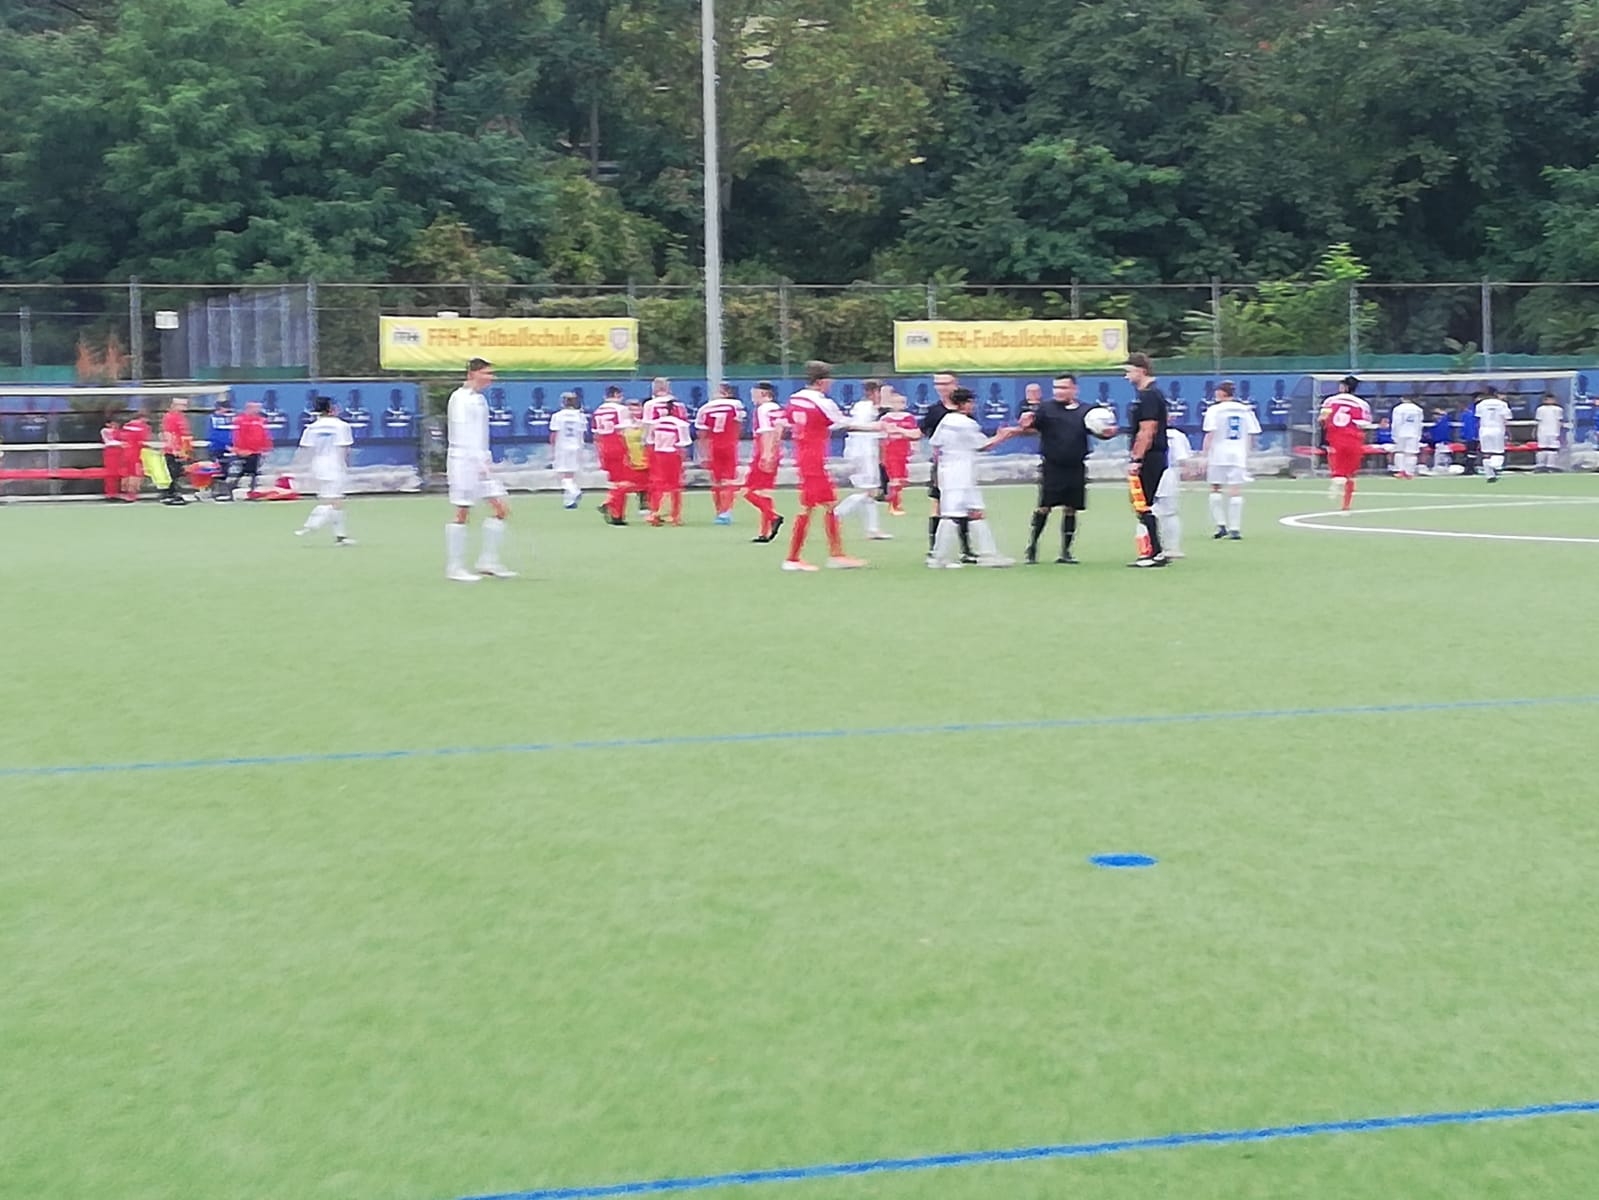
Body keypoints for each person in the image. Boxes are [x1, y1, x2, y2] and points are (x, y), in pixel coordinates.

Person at [781, 360, 870, 572]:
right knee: (809, 507)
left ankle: (835, 554)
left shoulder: (795, 399)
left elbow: (786, 423)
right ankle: (794, 558)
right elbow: (844, 424)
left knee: (829, 504)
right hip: (814, 459)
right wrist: (878, 427)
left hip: (804, 456)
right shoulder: (822, 402)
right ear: (822, 381)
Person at [1015, 375, 1112, 565]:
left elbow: (1100, 431)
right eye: (1056, 388)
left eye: (1063, 388)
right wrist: (1025, 421)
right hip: (1052, 466)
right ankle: (1032, 547)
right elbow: (1029, 426)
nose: (1059, 391)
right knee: (1044, 506)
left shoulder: (1087, 411)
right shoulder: (1046, 409)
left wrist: (1107, 433)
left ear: (1074, 389)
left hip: (1076, 466)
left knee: (1071, 509)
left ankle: (1066, 552)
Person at [926, 388, 1016, 568]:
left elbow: (936, 445)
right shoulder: (967, 424)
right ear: (964, 403)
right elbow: (983, 445)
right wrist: (1002, 436)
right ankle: (939, 558)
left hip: (953, 472)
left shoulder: (945, 420)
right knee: (951, 514)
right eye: (970, 402)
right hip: (960, 474)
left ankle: (989, 555)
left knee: (976, 512)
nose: (973, 406)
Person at [445, 357, 516, 582]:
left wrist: (485, 460)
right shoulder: (459, 398)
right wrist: (476, 460)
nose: (490, 378)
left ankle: (488, 561)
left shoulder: (480, 400)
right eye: (486, 373)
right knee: (463, 510)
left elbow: (480, 434)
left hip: (482, 462)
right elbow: (462, 432)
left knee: (501, 509)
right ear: (472, 374)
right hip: (463, 461)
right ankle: (455, 567)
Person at [920, 372, 975, 563]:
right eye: (938, 384)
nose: (942, 387)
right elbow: (923, 433)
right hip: (943, 464)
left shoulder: (966, 411)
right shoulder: (934, 411)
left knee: (964, 505)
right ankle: (935, 548)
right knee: (938, 504)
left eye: (946, 383)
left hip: (963, 465)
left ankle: (966, 549)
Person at [1123, 353, 1172, 566]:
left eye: (1128, 371)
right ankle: (1151, 551)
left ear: (1141, 370)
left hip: (1150, 456)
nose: (1126, 376)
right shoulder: (1149, 394)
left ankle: (1155, 552)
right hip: (1153, 455)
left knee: (1143, 504)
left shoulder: (1149, 395)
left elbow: (1147, 429)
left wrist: (1137, 458)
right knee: (1142, 504)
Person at [1201, 380, 1261, 540]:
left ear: (1221, 393)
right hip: (1238, 454)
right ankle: (1235, 528)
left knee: (1215, 487)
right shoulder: (1245, 409)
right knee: (1235, 490)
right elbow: (1252, 433)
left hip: (1218, 454)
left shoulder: (1214, 410)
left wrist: (1204, 455)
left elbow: (1210, 433)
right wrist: (1248, 453)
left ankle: (1220, 525)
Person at [293, 396, 356, 544]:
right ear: (331, 409)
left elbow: (306, 450)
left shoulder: (312, 427)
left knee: (333, 500)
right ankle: (310, 525)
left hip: (318, 465)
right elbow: (344, 448)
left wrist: (299, 468)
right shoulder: (341, 426)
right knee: (333, 501)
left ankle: (340, 536)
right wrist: (346, 466)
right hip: (335, 464)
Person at [837, 382, 892, 542]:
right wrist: (877, 428)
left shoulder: (870, 409)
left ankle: (873, 529)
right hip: (863, 453)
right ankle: (837, 513)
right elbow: (855, 427)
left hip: (866, 452)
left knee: (870, 492)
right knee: (869, 491)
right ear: (875, 392)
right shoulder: (865, 409)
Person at [1318, 375, 1372, 512]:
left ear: (1344, 387)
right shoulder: (1362, 404)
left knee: (1338, 469)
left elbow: (1322, 418)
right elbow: (1364, 424)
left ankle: (1337, 480)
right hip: (1354, 439)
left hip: (1336, 438)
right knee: (1351, 475)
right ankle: (1346, 505)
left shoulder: (1330, 400)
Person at [695, 382, 746, 524]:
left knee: (716, 481)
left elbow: (702, 433)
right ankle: (726, 512)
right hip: (729, 445)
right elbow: (739, 424)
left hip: (713, 446)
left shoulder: (705, 408)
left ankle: (719, 511)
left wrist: (703, 453)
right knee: (728, 480)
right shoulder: (735, 405)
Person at [741, 381, 786, 543]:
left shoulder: (762, 409)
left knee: (748, 491)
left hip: (764, 450)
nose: (752, 398)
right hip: (775, 450)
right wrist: (775, 450)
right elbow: (778, 431)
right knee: (765, 492)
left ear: (763, 394)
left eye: (754, 394)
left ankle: (773, 517)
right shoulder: (777, 409)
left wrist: (766, 454)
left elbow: (766, 433)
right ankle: (765, 532)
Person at [592, 385, 635, 525]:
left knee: (615, 481)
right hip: (617, 445)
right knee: (624, 481)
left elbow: (596, 433)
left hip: (603, 446)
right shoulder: (620, 409)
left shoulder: (598, 410)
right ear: (616, 394)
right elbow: (625, 430)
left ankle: (615, 512)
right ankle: (613, 507)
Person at [646, 404, 693, 526]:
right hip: (672, 455)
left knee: (658, 484)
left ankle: (655, 512)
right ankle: (674, 515)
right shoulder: (680, 424)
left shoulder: (654, 423)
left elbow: (650, 441)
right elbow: (683, 443)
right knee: (674, 486)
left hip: (657, 454)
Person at [879, 386, 921, 517]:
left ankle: (896, 501)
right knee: (894, 478)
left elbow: (915, 433)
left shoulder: (909, 418)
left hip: (904, 450)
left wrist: (914, 447)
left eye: (902, 402)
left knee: (902, 479)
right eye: (896, 402)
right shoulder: (886, 418)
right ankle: (894, 505)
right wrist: (880, 454)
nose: (899, 405)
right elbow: (881, 436)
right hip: (890, 450)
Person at [1156, 421, 1192, 558]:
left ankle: (1148, 548)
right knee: (1170, 513)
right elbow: (1182, 459)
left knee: (1147, 513)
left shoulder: (1144, 432)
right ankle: (1172, 548)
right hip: (1168, 476)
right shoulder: (1176, 436)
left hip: (1150, 474)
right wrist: (1188, 478)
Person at [548, 391, 589, 509]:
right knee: (570, 474)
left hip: (562, 447)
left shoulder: (557, 416)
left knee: (562, 475)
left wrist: (552, 448)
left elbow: (554, 434)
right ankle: (569, 501)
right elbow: (582, 433)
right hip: (576, 447)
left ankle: (574, 491)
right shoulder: (580, 416)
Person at [231, 401, 273, 496]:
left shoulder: (259, 420)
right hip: (246, 450)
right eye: (256, 408)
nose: (258, 410)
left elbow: (265, 434)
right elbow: (238, 436)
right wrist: (240, 449)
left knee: (254, 470)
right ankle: (233, 486)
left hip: (256, 450)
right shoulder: (242, 420)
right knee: (245, 470)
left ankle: (252, 489)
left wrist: (267, 447)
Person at [1475, 388, 1513, 483]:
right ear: (1496, 393)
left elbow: (1478, 419)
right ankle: (1495, 465)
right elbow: (1507, 418)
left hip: (1484, 430)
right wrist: (1508, 432)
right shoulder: (1502, 404)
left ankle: (1490, 475)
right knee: (1498, 452)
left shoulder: (1480, 404)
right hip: (1497, 430)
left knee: (1486, 453)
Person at [160, 397, 192, 506]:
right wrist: (174, 448)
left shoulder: (182, 417)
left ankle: (175, 493)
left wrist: (186, 450)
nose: (184, 407)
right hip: (174, 450)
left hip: (182, 449)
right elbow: (168, 433)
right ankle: (169, 494)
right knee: (172, 472)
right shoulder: (170, 417)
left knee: (179, 472)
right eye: (182, 405)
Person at [206, 396, 235, 500]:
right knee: (217, 470)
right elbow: (213, 435)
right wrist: (226, 446)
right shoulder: (213, 419)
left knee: (225, 469)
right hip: (217, 449)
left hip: (228, 449)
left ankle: (222, 492)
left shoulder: (228, 418)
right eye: (226, 408)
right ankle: (215, 491)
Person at [1391, 394, 1425, 479]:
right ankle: (1409, 472)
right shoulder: (1418, 409)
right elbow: (1420, 424)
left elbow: (1396, 423)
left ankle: (1400, 471)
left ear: (1402, 399)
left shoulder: (1398, 409)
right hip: (1414, 434)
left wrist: (1394, 435)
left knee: (1399, 452)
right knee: (1411, 453)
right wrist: (1419, 435)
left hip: (1400, 433)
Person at [120, 409, 150, 502]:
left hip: (125, 453)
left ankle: (124, 491)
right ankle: (132, 494)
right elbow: (143, 440)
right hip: (136, 453)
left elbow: (121, 438)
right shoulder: (143, 426)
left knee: (127, 473)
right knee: (135, 473)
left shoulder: (126, 426)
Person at [1535, 393, 1564, 472]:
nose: (1549, 401)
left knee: (1553, 449)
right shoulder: (1540, 409)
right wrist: (1535, 431)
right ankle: (1540, 465)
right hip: (1542, 432)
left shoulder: (1558, 409)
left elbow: (1560, 421)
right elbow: (1538, 421)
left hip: (1554, 431)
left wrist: (1560, 432)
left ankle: (1551, 466)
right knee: (1542, 448)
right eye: (1547, 399)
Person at [100, 413, 125, 501]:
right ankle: (110, 494)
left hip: (120, 453)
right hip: (110, 453)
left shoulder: (120, 431)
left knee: (120, 474)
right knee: (111, 474)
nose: (116, 425)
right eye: (113, 423)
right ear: (108, 424)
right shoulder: (105, 431)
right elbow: (110, 441)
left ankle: (118, 493)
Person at [1427, 407, 1455, 473]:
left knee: (1443, 456)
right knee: (1438, 456)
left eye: (1437, 414)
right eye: (1434, 414)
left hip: (1444, 443)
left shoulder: (1445, 421)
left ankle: (1444, 468)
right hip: (1435, 443)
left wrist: (1443, 413)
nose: (1434, 416)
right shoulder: (1433, 424)